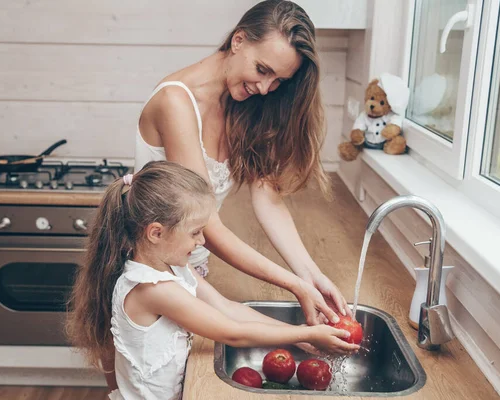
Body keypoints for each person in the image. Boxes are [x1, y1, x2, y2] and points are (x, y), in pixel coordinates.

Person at [66, 161, 360, 400]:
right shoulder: (150, 289)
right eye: (195, 232)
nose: (203, 240)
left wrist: (304, 338)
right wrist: (303, 335)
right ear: (156, 233)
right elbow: (231, 332)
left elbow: (225, 307)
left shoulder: (171, 267)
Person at [136, 0, 351, 326]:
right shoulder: (176, 102)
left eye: (278, 80)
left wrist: (311, 275)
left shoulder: (244, 105)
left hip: (192, 268)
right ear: (238, 41)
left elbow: (268, 196)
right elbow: (207, 221)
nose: (266, 88)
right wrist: (293, 284)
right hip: (155, 275)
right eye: (262, 70)